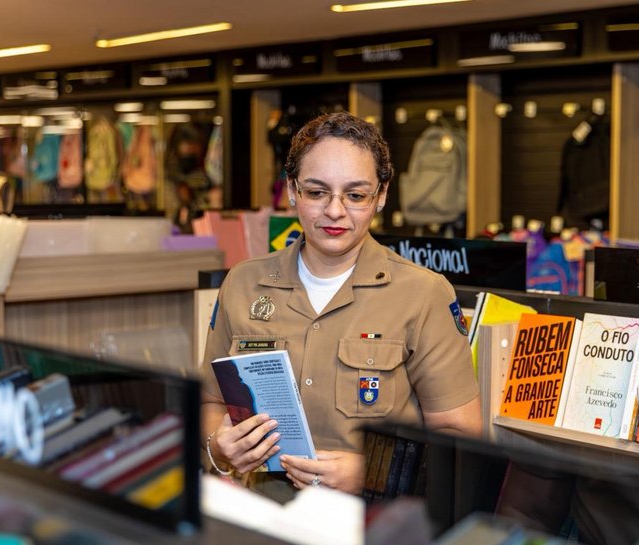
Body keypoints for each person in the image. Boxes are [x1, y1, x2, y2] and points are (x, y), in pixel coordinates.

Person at [200, 111, 481, 500]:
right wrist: (218, 444)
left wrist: (372, 472)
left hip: (373, 522)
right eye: (317, 192)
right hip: (263, 512)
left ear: (381, 195)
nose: (335, 211)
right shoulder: (243, 283)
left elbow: (460, 440)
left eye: (355, 195)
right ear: (293, 190)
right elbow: (210, 401)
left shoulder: (424, 294)